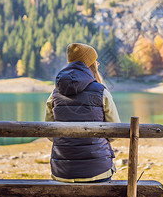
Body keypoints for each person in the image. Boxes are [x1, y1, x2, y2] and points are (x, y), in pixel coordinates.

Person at [45, 43, 121, 186]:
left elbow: (50, 133)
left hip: (63, 171)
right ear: (91, 65)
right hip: (97, 170)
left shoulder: (54, 93)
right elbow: (114, 132)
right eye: (95, 61)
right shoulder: (101, 91)